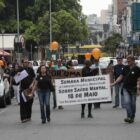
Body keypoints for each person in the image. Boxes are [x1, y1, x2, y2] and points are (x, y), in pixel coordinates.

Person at [111, 55, 140, 123]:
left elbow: (139, 79)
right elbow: (121, 76)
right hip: (125, 88)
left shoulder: (137, 69)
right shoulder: (125, 68)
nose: (128, 62)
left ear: (133, 61)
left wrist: (138, 89)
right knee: (127, 102)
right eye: (127, 61)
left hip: (134, 89)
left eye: (129, 61)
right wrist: (114, 83)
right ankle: (129, 117)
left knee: (133, 104)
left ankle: (132, 116)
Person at [19, 58, 35, 123]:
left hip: (29, 89)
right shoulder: (20, 69)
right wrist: (17, 74)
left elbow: (34, 78)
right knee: (23, 104)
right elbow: (16, 79)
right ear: (23, 63)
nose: (26, 63)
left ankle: (28, 116)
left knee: (29, 103)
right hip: (22, 89)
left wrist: (32, 84)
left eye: (27, 62)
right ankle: (23, 117)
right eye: (25, 62)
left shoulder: (30, 69)